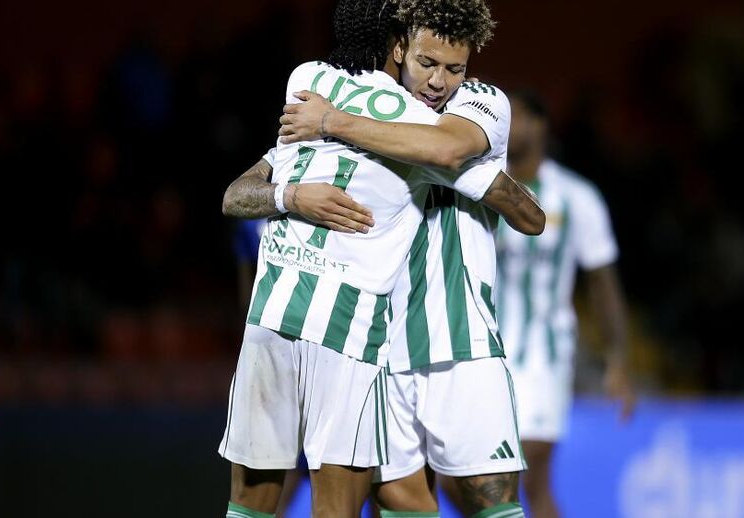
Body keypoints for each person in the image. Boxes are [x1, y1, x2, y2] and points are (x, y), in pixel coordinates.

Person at [217, 1, 542, 517]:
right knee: (400, 499)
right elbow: (241, 191)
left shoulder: (481, 102)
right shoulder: (372, 109)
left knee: (491, 501)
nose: (438, 81)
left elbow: (451, 155)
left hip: (459, 334)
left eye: (453, 69)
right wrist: (297, 192)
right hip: (381, 342)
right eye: (426, 63)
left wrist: (330, 120)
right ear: (399, 49)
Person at [494, 90, 637, 517]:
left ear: (541, 125)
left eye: (518, 116)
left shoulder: (576, 197)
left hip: (544, 355)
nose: (508, 125)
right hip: (485, 354)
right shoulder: (480, 185)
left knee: (524, 477)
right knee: (464, 479)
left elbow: (603, 282)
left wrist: (618, 359)